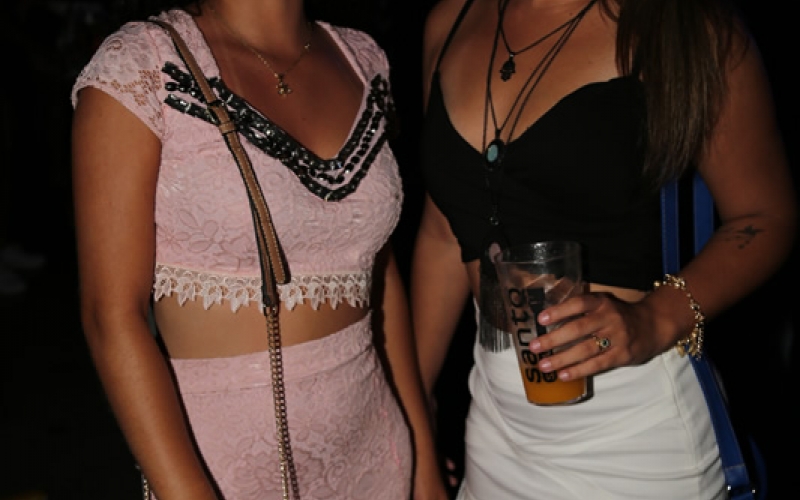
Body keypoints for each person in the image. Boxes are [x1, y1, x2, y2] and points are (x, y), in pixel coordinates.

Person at [411, 0, 797, 499]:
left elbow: (765, 217)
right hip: (494, 422)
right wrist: (413, 405)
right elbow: (444, 232)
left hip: (635, 428)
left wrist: (654, 318)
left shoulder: (685, 25)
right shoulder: (453, 18)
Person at [70, 1, 449, 499]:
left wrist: (422, 460)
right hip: (222, 469)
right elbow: (111, 317)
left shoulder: (360, 56)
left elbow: (377, 275)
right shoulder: (142, 64)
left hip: (377, 451)